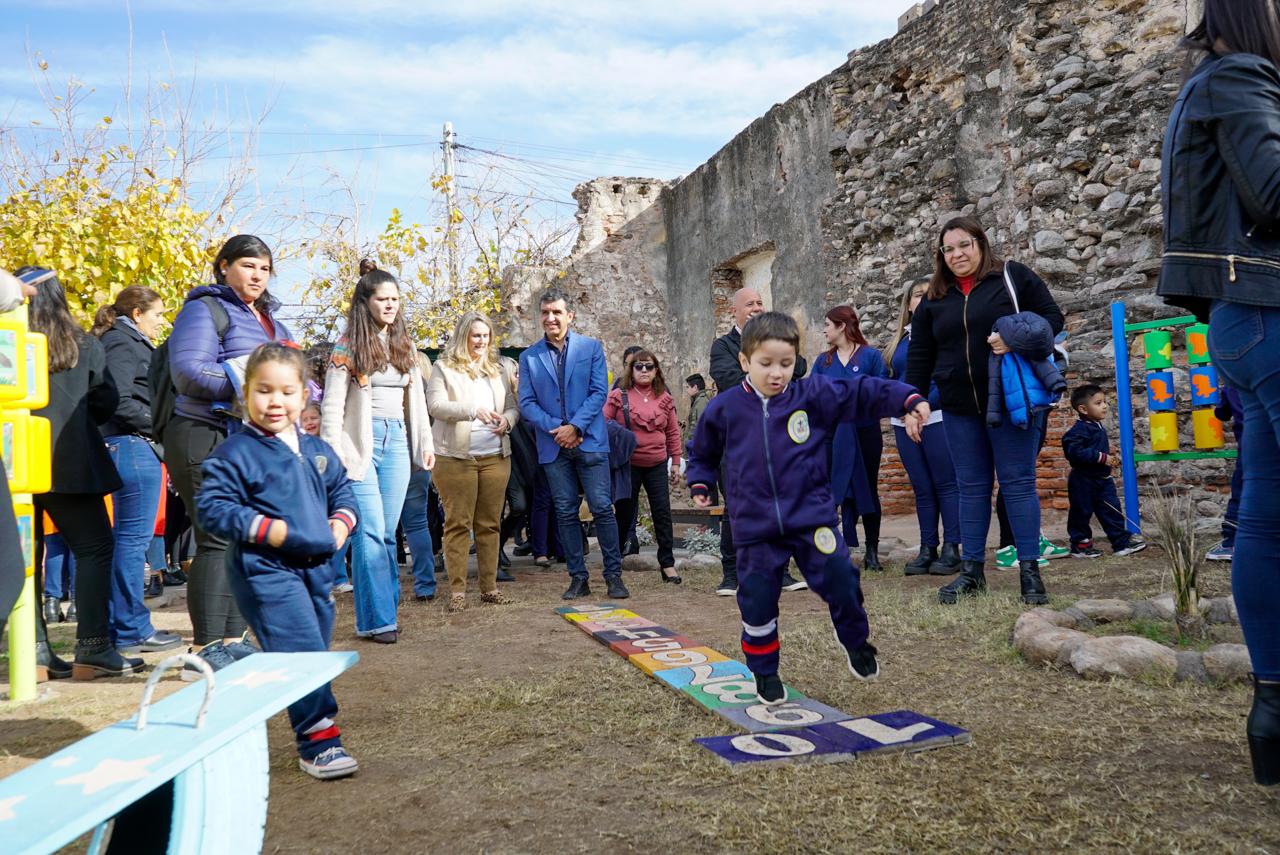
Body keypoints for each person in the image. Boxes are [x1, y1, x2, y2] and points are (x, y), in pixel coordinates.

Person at [1155, 0, 1280, 785]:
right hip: (1269, 312)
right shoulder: (1239, 75)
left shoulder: (1204, 83)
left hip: (1240, 322)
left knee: (1265, 520)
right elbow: (1271, 192)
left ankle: (1272, 711)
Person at [687, 312, 929, 702]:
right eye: (766, 364)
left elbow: (862, 392)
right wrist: (700, 481)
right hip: (754, 526)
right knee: (757, 599)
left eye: (785, 363)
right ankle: (764, 671)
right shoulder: (724, 408)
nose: (777, 373)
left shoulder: (811, 395)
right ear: (745, 362)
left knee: (840, 577)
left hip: (811, 518)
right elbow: (702, 451)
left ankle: (854, 639)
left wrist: (907, 398)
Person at [196, 343, 360, 780]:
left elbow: (342, 491)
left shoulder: (316, 449)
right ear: (246, 393)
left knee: (306, 651)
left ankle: (245, 665)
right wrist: (274, 531)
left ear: (304, 396)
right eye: (263, 390)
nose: (275, 401)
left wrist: (341, 525)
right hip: (263, 570)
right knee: (304, 654)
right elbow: (212, 508)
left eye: (286, 392)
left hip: (316, 571)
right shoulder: (235, 454)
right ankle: (319, 742)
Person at [905, 216, 1064, 606]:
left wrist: (1014, 338)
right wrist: (911, 402)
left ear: (980, 243)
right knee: (971, 489)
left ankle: (1030, 571)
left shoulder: (1012, 277)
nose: (957, 254)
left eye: (964, 245)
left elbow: (1053, 320)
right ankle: (972, 572)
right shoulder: (934, 299)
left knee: (1018, 485)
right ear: (941, 255)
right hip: (959, 408)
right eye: (949, 249)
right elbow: (921, 355)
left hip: (1010, 404)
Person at [166, 235, 292, 672]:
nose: (257, 275)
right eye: (247, 266)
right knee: (218, 537)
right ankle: (203, 650)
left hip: (251, 442)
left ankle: (234, 640)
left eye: (264, 268)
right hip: (205, 433)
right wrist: (259, 385)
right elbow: (188, 373)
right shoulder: (204, 309)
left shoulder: (271, 321)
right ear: (223, 267)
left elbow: (296, 375)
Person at [18, 266, 132, 680]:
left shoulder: (7, 344)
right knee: (95, 548)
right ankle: (93, 648)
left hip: (14, 464)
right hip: (69, 462)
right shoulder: (82, 345)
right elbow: (105, 403)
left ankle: (33, 651)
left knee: (25, 557)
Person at [321, 269, 434, 643]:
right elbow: (332, 405)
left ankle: (385, 608)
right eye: (382, 298)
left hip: (397, 440)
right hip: (360, 443)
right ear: (365, 302)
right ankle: (378, 620)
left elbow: (414, 400)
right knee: (367, 530)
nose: (389, 305)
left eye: (395, 299)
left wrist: (424, 444)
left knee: (387, 534)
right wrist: (330, 453)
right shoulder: (348, 346)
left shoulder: (406, 344)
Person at [518, 288, 629, 600]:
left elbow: (599, 391)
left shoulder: (591, 348)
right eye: (545, 313)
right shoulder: (529, 357)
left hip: (590, 442)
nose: (550, 318)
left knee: (602, 509)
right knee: (565, 511)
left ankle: (613, 576)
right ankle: (578, 578)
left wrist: (576, 426)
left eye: (556, 312)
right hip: (554, 446)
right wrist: (558, 429)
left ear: (569, 315)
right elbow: (526, 402)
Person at [92, 285, 183, 655]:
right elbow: (117, 400)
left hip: (133, 446)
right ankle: (131, 628)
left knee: (130, 542)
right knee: (132, 543)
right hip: (132, 446)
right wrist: (157, 424)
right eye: (158, 314)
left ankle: (126, 626)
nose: (162, 322)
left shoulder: (127, 341)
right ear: (137, 314)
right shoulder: (122, 343)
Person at [708, 288, 808, 596]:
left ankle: (781, 572)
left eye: (760, 303)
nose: (756, 307)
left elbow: (800, 367)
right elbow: (727, 380)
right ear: (734, 311)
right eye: (749, 303)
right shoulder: (722, 346)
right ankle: (731, 574)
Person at [427, 312, 519, 613]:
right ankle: (456, 591)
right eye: (475, 335)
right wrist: (472, 410)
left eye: (485, 336)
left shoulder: (500, 368)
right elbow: (436, 405)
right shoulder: (443, 368)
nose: (481, 341)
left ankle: (489, 588)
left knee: (489, 525)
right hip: (455, 458)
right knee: (457, 524)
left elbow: (511, 406)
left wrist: (507, 421)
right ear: (463, 335)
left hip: (495, 456)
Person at [882, 281, 962, 576]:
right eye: (919, 295)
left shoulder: (943, 334)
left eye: (932, 293)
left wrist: (920, 409)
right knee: (922, 488)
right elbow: (888, 379)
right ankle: (928, 547)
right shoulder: (898, 342)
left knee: (946, 484)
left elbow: (945, 377)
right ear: (908, 304)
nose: (925, 298)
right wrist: (902, 411)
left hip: (936, 417)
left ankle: (953, 548)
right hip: (903, 422)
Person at [812, 305, 889, 571]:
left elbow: (881, 392)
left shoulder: (871, 357)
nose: (824, 330)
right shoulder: (823, 362)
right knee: (830, 492)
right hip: (831, 436)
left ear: (842, 326)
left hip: (865, 433)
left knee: (867, 488)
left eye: (827, 325)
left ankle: (871, 552)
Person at [604, 349, 683, 583]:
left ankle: (667, 564)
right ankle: (614, 563)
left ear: (656, 369)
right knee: (625, 514)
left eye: (649, 366)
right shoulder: (619, 395)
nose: (644, 371)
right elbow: (603, 423)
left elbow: (672, 432)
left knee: (662, 513)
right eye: (639, 366)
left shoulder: (665, 398)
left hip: (657, 464)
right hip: (628, 465)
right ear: (631, 369)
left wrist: (676, 463)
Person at [1059, 385, 1147, 559]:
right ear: (1083, 409)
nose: (1105, 406)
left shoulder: (1097, 426)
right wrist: (1101, 457)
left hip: (1102, 479)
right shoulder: (1079, 429)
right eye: (1098, 403)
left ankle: (1120, 543)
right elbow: (1074, 451)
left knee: (1112, 510)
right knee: (1081, 513)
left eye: (1104, 402)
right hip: (1083, 480)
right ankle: (1081, 546)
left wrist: (1110, 460)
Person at [401, 351, 441, 602]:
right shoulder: (422, 385)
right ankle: (425, 584)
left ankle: (385, 587)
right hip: (418, 454)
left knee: (383, 527)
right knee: (417, 523)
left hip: (396, 453)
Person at [1207, 385, 1244, 561]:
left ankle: (1231, 542)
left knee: (1240, 492)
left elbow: (1221, 413)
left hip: (1250, 446)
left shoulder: (1232, 384)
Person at [684, 373, 712, 456]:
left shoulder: (701, 402)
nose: (686, 390)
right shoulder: (697, 400)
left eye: (688, 387)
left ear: (695, 387)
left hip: (696, 450)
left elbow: (701, 427)